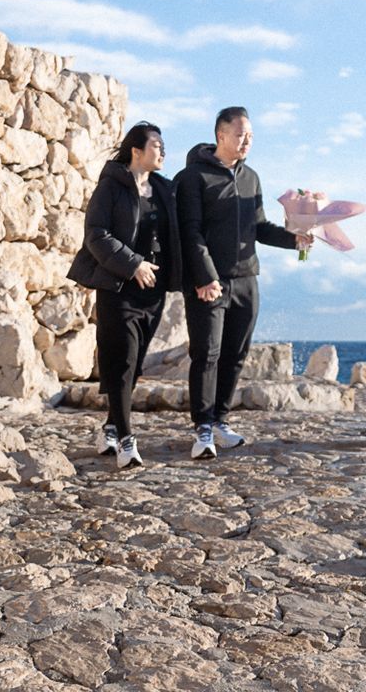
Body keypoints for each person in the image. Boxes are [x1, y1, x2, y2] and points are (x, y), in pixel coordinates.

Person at [176, 106, 311, 459]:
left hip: (247, 279)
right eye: (240, 135)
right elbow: (190, 232)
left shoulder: (251, 177)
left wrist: (294, 239)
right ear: (221, 135)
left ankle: (220, 420)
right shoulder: (193, 177)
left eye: (250, 135)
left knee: (235, 355)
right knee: (206, 354)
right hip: (209, 283)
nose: (247, 141)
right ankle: (202, 428)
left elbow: (260, 227)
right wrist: (205, 277)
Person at [66, 121, 181, 469]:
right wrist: (133, 265)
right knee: (123, 360)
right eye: (157, 145)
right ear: (137, 151)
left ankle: (111, 428)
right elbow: (96, 235)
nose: (163, 151)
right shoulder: (111, 188)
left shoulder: (163, 189)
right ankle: (127, 442)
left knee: (133, 367)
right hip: (119, 289)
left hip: (154, 292)